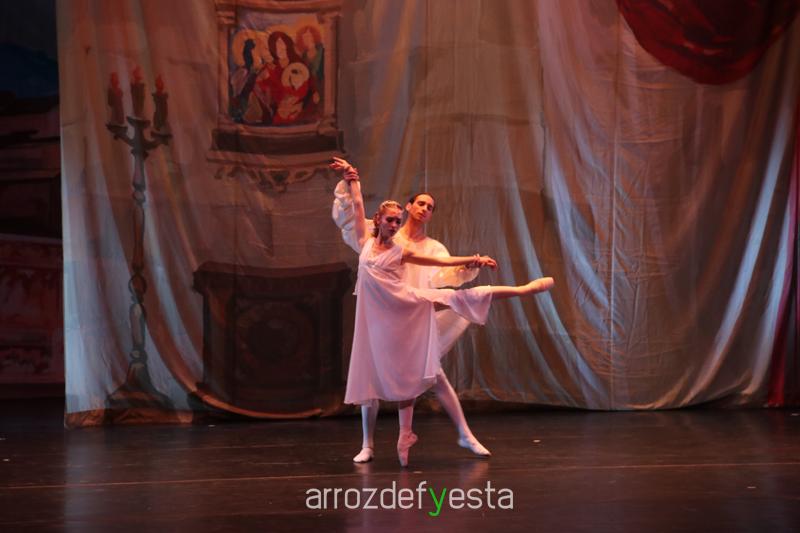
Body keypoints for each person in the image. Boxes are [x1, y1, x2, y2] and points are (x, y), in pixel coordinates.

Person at [330, 157, 554, 466]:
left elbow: (441, 264)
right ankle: (369, 444)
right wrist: (351, 177)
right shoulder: (365, 239)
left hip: (408, 307)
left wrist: (473, 260)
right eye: (390, 220)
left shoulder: (405, 250)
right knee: (371, 374)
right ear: (380, 219)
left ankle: (523, 290)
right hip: (380, 320)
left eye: (397, 221)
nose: (394, 225)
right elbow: (356, 206)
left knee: (457, 300)